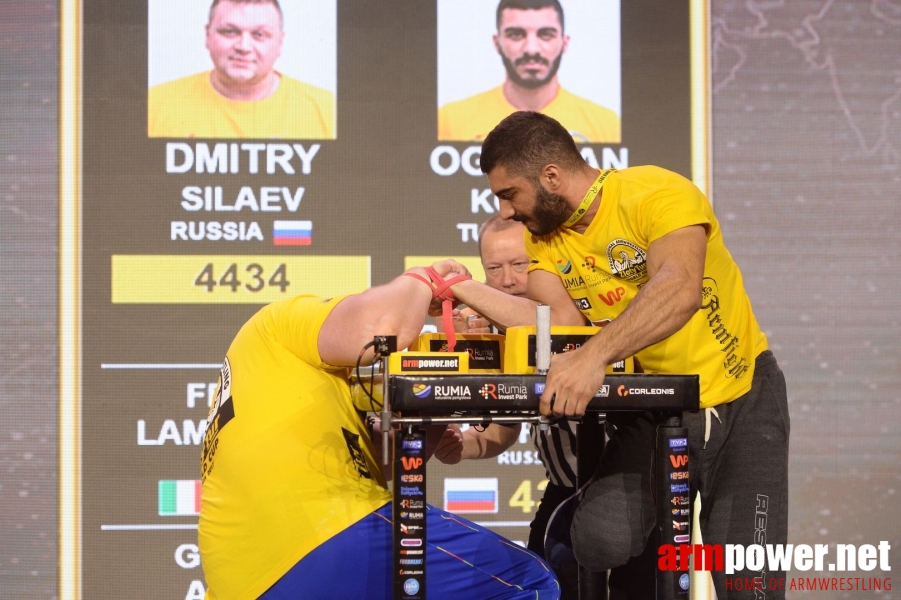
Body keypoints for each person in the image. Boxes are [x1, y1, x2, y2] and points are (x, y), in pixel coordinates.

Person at [438, 111, 790, 599]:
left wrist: (594, 356)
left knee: (750, 584)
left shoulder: (657, 193)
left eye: (508, 193)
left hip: (741, 397)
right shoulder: (544, 239)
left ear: (551, 177)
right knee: (601, 539)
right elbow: (555, 324)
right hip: (654, 406)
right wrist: (464, 291)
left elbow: (679, 288)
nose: (507, 210)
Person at [198, 259, 560, 600]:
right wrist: (427, 278)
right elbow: (382, 330)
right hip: (313, 535)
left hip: (241, 579)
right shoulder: (280, 322)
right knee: (529, 583)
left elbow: (384, 468)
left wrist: (434, 413)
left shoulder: (290, 390)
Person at [434, 215, 582, 599]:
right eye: (493, 268)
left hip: (625, 488)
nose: (507, 280)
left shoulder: (574, 317)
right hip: (563, 490)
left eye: (520, 264)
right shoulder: (498, 333)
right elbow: (503, 427)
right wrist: (466, 444)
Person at [438, 0, 620, 143]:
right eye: (516, 34)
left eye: (546, 34)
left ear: (564, 42)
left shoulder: (607, 124)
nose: (531, 49)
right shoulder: (450, 120)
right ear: (497, 42)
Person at [148, 0, 335, 139]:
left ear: (280, 42)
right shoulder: (152, 105)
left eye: (259, 34)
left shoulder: (328, 111)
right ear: (207, 35)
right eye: (230, 32)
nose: (244, 47)